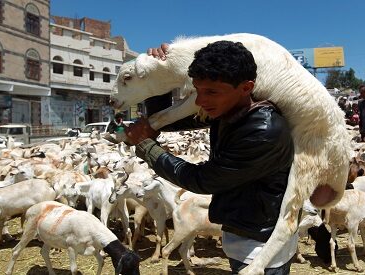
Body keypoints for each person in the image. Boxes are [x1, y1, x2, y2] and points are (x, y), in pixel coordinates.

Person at [125, 41, 296, 274]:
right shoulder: (229, 110)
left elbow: (201, 180)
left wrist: (145, 145)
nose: (200, 101)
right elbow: (166, 120)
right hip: (245, 238)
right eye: (197, 90)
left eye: (211, 92)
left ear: (246, 88)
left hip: (262, 250)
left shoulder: (262, 131)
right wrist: (160, 75)